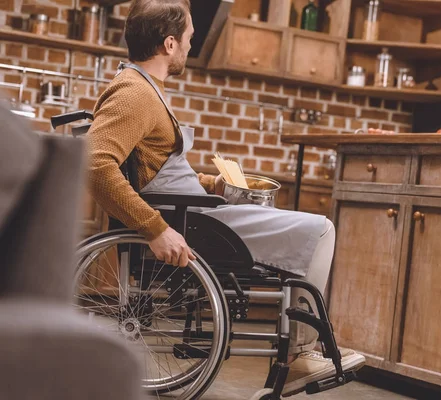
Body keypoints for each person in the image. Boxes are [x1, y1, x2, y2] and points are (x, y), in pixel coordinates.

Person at [86, 0, 364, 395]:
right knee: (321, 229)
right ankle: (301, 353)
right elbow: (95, 165)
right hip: (192, 223)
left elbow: (152, 166)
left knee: (310, 228)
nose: (189, 47)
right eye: (188, 39)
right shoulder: (134, 93)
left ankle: (302, 349)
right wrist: (154, 228)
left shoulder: (144, 88)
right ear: (168, 44)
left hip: (197, 209)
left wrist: (211, 183)